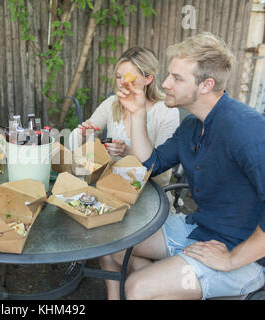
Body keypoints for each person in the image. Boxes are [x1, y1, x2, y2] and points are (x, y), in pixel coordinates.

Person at [100, 32, 265, 300]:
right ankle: (164, 283)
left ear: (205, 85)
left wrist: (231, 260)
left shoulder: (248, 128)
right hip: (200, 228)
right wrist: (137, 113)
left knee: (138, 288)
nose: (165, 83)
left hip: (245, 253)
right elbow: (150, 165)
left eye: (177, 78)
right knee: (114, 243)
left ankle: (156, 284)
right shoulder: (191, 125)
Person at [69, 47, 180, 187]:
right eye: (118, 77)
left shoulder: (166, 111)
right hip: (110, 184)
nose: (122, 83)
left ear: (148, 79)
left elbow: (162, 173)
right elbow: (76, 141)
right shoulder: (112, 103)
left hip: (149, 191)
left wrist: (127, 151)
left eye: (128, 77)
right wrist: (84, 134)